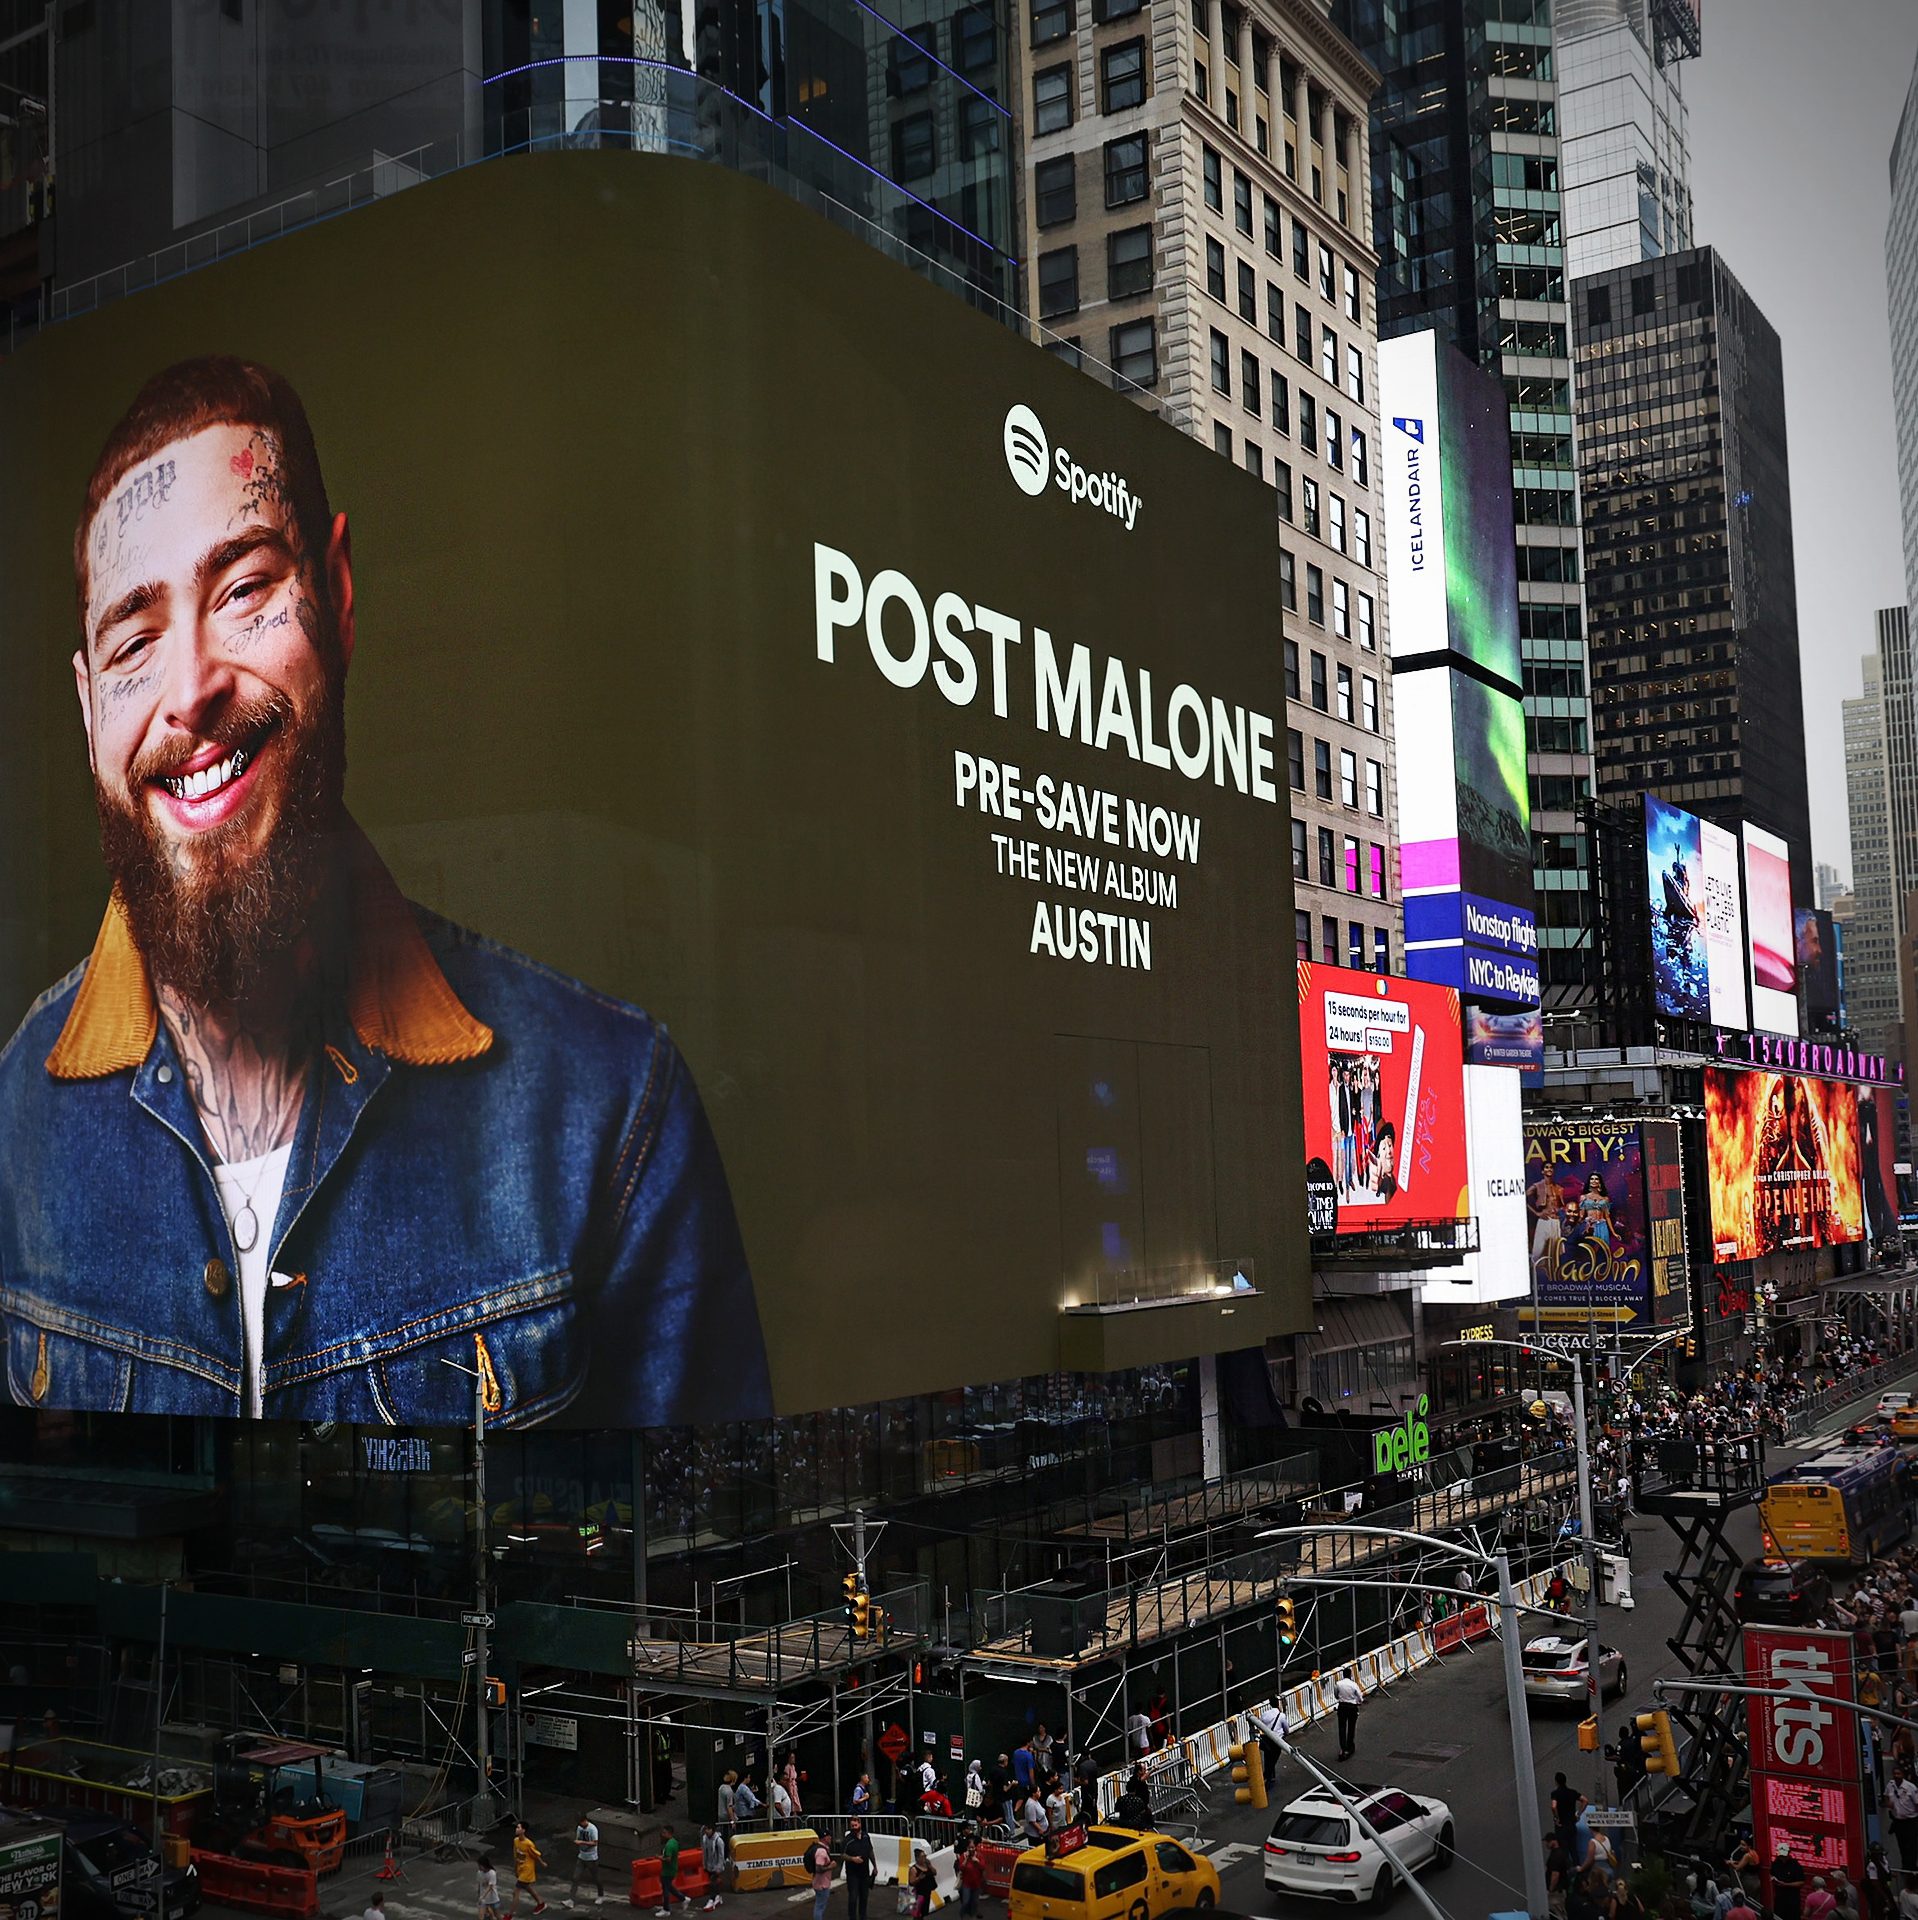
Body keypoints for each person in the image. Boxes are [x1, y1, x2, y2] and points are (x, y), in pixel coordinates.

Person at [0, 355, 771, 1424]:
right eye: (133, 641)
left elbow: (688, 1568)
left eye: (244, 590)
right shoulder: (11, 1124)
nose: (189, 693)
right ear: (89, 713)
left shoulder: (611, 1115)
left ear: (340, 594)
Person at [838, 1818, 876, 1920]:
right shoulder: (848, 1840)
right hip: (852, 1874)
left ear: (860, 1825)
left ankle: (863, 1916)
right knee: (853, 1898)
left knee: (864, 1897)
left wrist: (875, 1866)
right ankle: (852, 1917)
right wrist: (852, 1859)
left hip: (864, 1873)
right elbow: (842, 1855)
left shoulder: (865, 1836)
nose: (854, 1828)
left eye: (855, 1825)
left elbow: (870, 1851)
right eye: (852, 1826)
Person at [511, 1825, 548, 1918]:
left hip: (527, 1870)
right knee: (526, 1887)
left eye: (519, 1828)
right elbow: (516, 1856)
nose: (516, 1829)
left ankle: (510, 1914)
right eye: (516, 1827)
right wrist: (515, 1869)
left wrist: (542, 1863)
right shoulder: (516, 1841)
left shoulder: (528, 1843)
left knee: (516, 1891)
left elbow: (535, 1855)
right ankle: (541, 1903)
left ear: (523, 1830)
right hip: (520, 1869)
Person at [568, 1815, 603, 1908]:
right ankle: (571, 1899)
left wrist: (582, 1843)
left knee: (596, 1878)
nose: (581, 1825)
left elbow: (595, 1843)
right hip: (581, 1857)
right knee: (575, 1877)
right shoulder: (579, 1828)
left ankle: (600, 1895)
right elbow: (578, 1838)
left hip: (592, 1858)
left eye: (581, 1823)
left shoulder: (593, 1829)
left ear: (585, 1820)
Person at [1887, 1766, 1918, 1870]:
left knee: (1912, 1845)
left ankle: (1912, 1867)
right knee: (1902, 1845)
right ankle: (1905, 1866)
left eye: (1898, 1774)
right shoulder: (1890, 1785)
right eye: (1894, 1774)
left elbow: (1917, 1803)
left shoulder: (1911, 1787)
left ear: (1903, 1775)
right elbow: (1887, 1796)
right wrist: (1889, 1805)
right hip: (1898, 1821)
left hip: (1911, 1821)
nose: (1896, 1776)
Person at [803, 1832, 834, 1920]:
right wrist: (831, 1866)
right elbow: (819, 1869)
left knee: (819, 1905)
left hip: (819, 1882)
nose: (830, 1838)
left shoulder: (818, 1848)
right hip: (822, 1883)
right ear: (824, 1838)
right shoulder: (821, 1852)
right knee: (820, 1907)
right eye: (829, 1836)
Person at [1770, 1841, 1806, 1920]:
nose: (1782, 1858)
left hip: (1792, 1900)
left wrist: (1786, 1884)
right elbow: (1771, 1874)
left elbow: (1801, 1882)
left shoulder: (1795, 1865)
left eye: (1784, 1856)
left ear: (1789, 1853)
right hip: (1779, 1900)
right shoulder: (1775, 1864)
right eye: (1781, 1856)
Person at [1333, 1672, 1363, 1761]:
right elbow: (1360, 1697)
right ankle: (1350, 1746)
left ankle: (1343, 1748)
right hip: (1352, 1707)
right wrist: (1358, 1702)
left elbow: (1336, 1694)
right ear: (1350, 1675)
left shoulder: (1338, 1684)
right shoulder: (1354, 1685)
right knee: (1351, 1727)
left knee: (1342, 1728)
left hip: (1342, 1706)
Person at [656, 1829, 684, 1917]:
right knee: (668, 1886)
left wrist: (660, 1858)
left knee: (666, 1890)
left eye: (664, 1833)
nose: (662, 1835)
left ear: (669, 1833)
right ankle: (683, 1898)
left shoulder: (669, 1845)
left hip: (668, 1871)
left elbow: (668, 1859)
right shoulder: (674, 1842)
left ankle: (666, 1909)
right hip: (671, 1869)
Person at [699, 1826, 727, 1912]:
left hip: (716, 1866)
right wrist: (704, 1865)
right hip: (709, 1865)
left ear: (713, 1830)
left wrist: (719, 1867)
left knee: (712, 1883)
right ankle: (717, 1897)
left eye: (709, 1829)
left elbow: (721, 1855)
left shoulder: (719, 1841)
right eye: (706, 1829)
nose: (707, 1831)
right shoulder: (705, 1839)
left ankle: (711, 1900)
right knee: (713, 1882)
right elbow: (704, 1853)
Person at [957, 1840, 985, 1919]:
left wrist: (977, 1861)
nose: (971, 1849)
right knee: (966, 1902)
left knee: (975, 1902)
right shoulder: (963, 1856)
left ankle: (972, 1916)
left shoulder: (979, 1856)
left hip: (976, 1884)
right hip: (967, 1884)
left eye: (973, 1847)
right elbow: (961, 1868)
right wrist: (966, 1859)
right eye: (970, 1848)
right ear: (967, 1848)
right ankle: (962, 1914)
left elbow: (983, 1867)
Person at [908, 1846, 937, 1920]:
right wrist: (919, 1878)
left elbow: (934, 1872)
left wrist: (930, 1865)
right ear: (917, 1858)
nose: (925, 1858)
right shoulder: (914, 1869)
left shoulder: (927, 1865)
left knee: (923, 1912)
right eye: (922, 1856)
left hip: (927, 1893)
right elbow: (911, 1882)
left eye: (925, 1856)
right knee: (918, 1913)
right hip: (919, 1894)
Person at [479, 1856, 504, 1920]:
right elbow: (479, 1885)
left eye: (480, 1865)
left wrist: (482, 1896)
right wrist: (479, 1895)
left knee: (497, 1916)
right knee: (482, 1916)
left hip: (493, 1899)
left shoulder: (492, 1873)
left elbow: (490, 1887)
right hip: (484, 1900)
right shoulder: (479, 1873)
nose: (479, 1867)